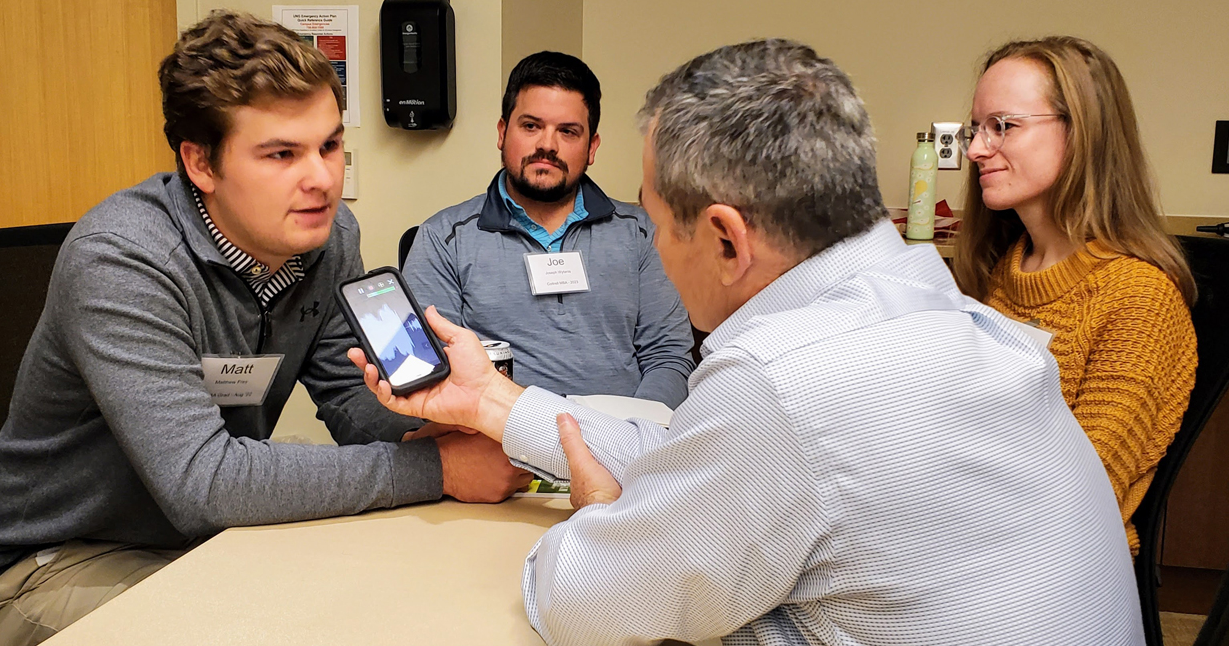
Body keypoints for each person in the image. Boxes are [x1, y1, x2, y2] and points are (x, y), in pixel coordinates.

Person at [352, 40, 1143, 645]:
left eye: (658, 224)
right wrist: (492, 402)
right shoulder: (925, 300)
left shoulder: (784, 384)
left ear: (726, 240)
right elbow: (694, 455)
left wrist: (595, 519)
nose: (651, 246)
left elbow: (578, 598)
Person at [0, 10, 530, 646]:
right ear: (200, 163)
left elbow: (346, 397)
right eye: (281, 154)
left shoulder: (326, 240)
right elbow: (203, 482)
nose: (322, 179)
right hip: (59, 562)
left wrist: (447, 423)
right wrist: (440, 470)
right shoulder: (121, 259)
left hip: (207, 542)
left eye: (330, 145)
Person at [954, 36, 1197, 555]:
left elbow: (1074, 497)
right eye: (975, 128)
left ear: (1081, 133)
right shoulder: (1002, 270)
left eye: (1003, 126)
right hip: (979, 536)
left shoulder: (1139, 300)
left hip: (1054, 573)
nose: (975, 149)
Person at [401, 51, 694, 407]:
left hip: (624, 448)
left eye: (568, 132)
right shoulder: (444, 239)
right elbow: (436, 373)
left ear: (592, 148)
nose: (547, 145)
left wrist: (637, 435)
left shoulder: (643, 234)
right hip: (500, 449)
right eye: (531, 126)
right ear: (502, 132)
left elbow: (669, 356)